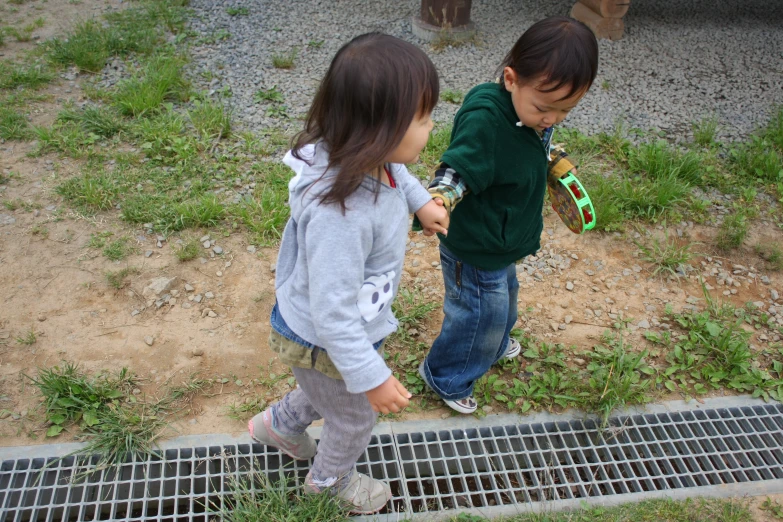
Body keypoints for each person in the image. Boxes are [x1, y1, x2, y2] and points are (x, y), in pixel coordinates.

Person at [247, 33, 448, 515]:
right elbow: (333, 313)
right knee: (354, 417)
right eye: (421, 118)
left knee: (327, 392)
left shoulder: (373, 159)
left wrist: (420, 203)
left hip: (338, 332)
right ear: (378, 132)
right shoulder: (342, 216)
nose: (431, 125)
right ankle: (328, 485)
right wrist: (371, 377)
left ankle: (278, 425)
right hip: (323, 335)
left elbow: (402, 176)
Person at [418, 16, 599, 414]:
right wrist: (439, 200)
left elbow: (527, 146)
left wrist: (549, 159)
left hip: (502, 238)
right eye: (545, 108)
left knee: (504, 301)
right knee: (478, 312)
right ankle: (445, 374)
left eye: (565, 110)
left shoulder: (530, 113)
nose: (551, 119)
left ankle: (495, 343)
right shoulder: (486, 119)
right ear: (511, 78)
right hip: (476, 243)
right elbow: (459, 169)